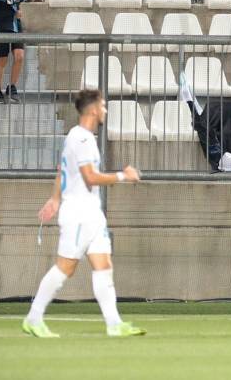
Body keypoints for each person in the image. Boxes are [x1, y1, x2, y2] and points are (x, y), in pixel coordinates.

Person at [23, 89, 145, 338]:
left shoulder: (79, 137)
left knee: (103, 265)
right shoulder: (82, 139)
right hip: (79, 214)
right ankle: (33, 318)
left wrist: (55, 199)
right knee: (65, 268)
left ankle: (114, 324)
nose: (105, 110)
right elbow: (90, 177)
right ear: (92, 110)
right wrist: (124, 175)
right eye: (103, 105)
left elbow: (62, 170)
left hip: (90, 213)